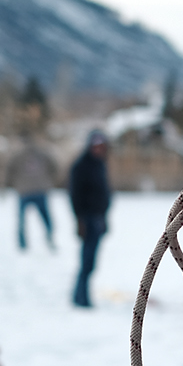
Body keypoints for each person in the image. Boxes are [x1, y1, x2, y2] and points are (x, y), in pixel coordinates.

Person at [68, 129, 111, 307]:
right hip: (87, 219)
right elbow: (75, 196)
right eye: (95, 146)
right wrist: (80, 220)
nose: (98, 149)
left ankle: (81, 296)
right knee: (86, 262)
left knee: (91, 262)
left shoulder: (100, 164)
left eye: (101, 146)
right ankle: (80, 297)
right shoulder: (81, 166)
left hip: (98, 218)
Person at [5, 139, 56, 250]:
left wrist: (11, 183)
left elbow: (8, 170)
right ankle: (49, 238)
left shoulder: (18, 155)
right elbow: (55, 167)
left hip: (26, 191)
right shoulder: (41, 153)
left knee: (23, 220)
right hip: (37, 191)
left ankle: (23, 243)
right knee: (45, 218)